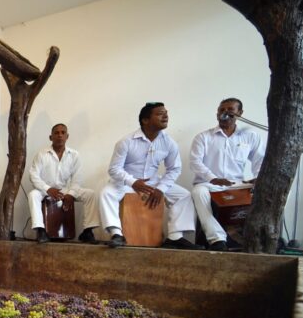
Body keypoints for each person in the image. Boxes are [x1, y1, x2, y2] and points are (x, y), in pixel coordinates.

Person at [99, 102, 201, 249]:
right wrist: (133, 182)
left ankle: (175, 237)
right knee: (106, 193)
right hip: (126, 183)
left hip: (153, 183)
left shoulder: (169, 142)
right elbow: (114, 169)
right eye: (160, 113)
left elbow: (175, 169)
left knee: (184, 195)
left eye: (166, 112)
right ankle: (117, 234)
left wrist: (161, 188)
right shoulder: (126, 142)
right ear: (145, 120)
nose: (165, 115)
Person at [190, 98, 264, 251]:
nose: (224, 113)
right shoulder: (203, 137)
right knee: (198, 192)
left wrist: (258, 179)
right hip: (209, 183)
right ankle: (217, 239)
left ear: (240, 113)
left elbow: (260, 160)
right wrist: (213, 178)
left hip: (236, 183)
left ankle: (257, 238)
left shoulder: (250, 136)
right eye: (221, 110)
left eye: (230, 110)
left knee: (266, 190)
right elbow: (195, 163)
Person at [28, 123, 99, 243]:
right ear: (51, 137)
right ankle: (41, 230)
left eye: (63, 133)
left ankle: (87, 231)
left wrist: (71, 194)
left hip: (64, 190)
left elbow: (77, 178)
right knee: (33, 194)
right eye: (56, 133)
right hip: (45, 190)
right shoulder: (41, 154)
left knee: (90, 194)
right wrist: (47, 189)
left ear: (67, 136)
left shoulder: (74, 155)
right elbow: (33, 175)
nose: (60, 135)